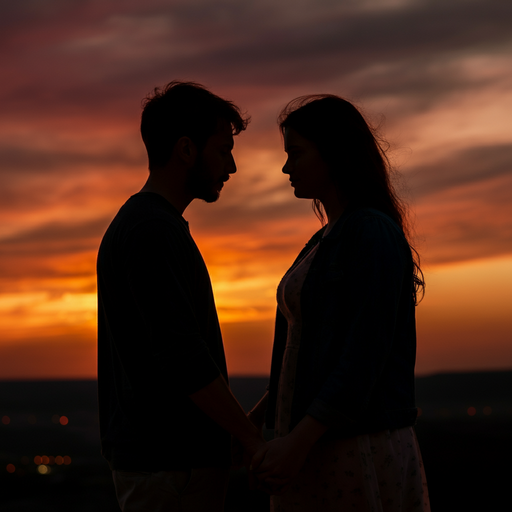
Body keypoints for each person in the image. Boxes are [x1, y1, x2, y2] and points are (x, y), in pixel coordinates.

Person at [248, 95, 431, 511]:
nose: (286, 167)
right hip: (314, 444)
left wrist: (296, 442)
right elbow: (302, 356)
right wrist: (259, 423)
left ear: (332, 153)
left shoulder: (371, 233)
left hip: (353, 446)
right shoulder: (323, 241)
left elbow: (362, 357)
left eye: (295, 153)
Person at [97, 81, 266, 512]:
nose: (231, 166)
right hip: (171, 471)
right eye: (223, 149)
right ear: (186, 150)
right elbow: (181, 355)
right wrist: (249, 440)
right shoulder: (152, 231)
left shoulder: (150, 226)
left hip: (170, 466)